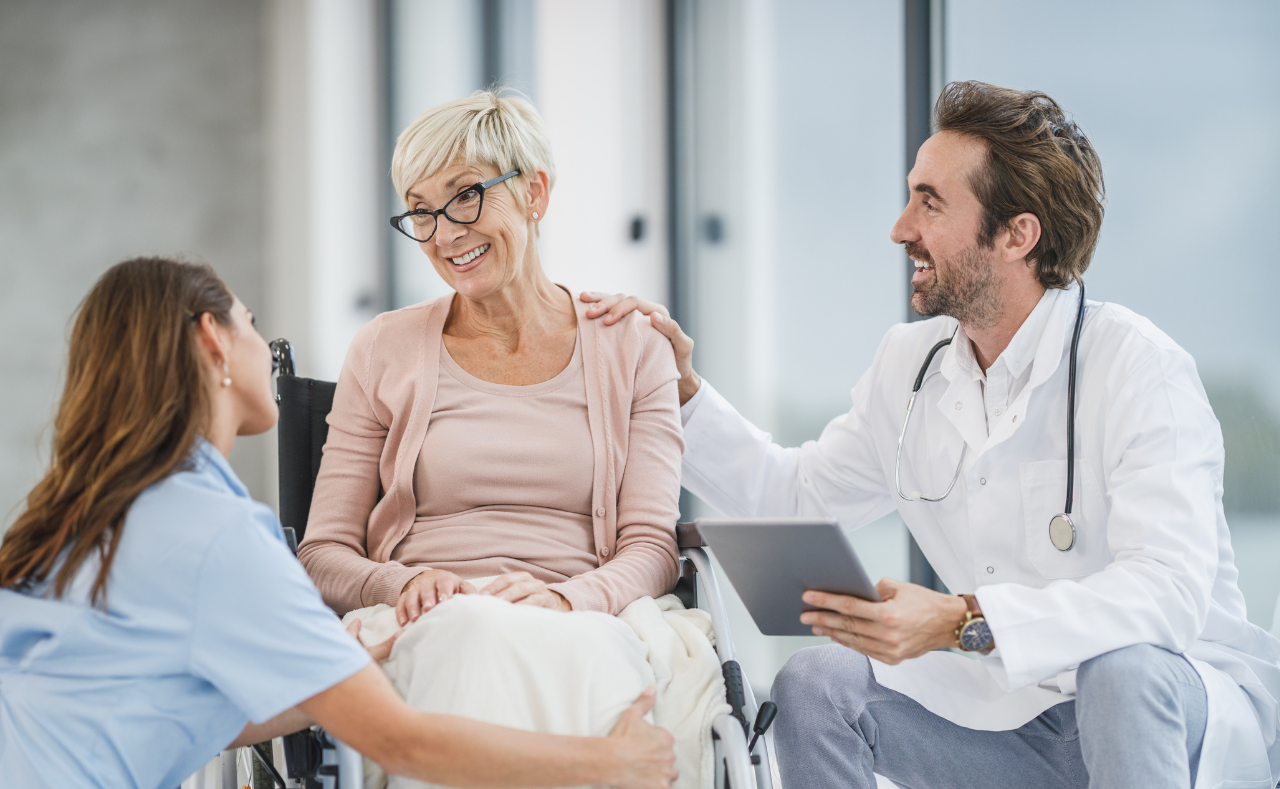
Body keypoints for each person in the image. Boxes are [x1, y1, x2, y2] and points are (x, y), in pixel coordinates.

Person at [582, 81, 1280, 789]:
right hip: (1020, 709)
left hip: (1169, 712)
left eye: (930, 202)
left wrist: (958, 620)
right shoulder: (910, 368)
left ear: (1017, 234)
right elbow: (793, 497)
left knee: (1120, 670)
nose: (899, 227)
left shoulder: (1136, 366)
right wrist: (683, 393)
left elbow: (1167, 593)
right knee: (818, 682)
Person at [0, 257, 676, 789]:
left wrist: (347, 669)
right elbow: (402, 743)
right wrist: (610, 762)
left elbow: (164, 707)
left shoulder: (75, 519)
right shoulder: (217, 533)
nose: (263, 344)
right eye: (250, 320)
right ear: (212, 339)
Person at [298, 89, 682, 622]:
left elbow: (653, 548)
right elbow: (321, 556)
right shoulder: (382, 349)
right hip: (424, 627)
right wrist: (404, 583)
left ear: (535, 194)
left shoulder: (635, 345)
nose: (447, 233)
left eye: (466, 195)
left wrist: (565, 599)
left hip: (580, 629)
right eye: (420, 211)